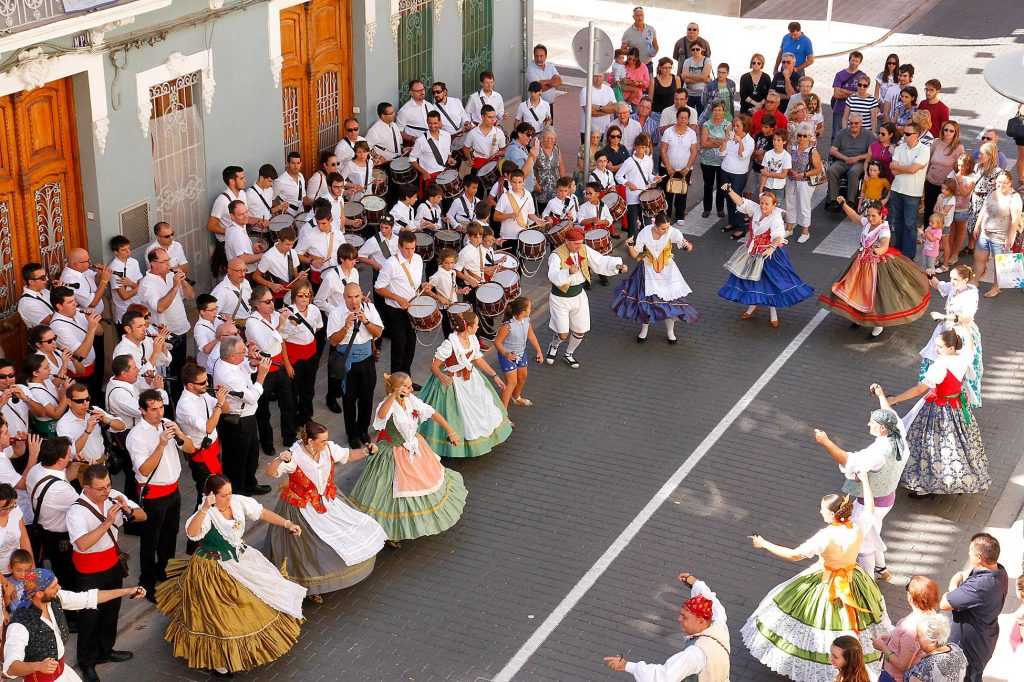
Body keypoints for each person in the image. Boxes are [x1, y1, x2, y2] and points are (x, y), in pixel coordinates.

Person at [156, 475, 306, 677]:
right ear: (211, 496)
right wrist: (204, 508)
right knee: (217, 616)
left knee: (257, 597)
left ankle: (237, 650)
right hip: (213, 568)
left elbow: (261, 513)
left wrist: (287, 524)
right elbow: (192, 533)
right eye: (224, 495)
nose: (229, 498)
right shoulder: (206, 514)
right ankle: (217, 660)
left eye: (230, 492)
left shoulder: (237, 502)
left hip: (240, 559)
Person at [743, 475, 890, 682]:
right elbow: (870, 508)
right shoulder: (856, 525)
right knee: (855, 621)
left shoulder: (825, 536)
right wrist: (865, 480)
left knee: (819, 621)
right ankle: (849, 662)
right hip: (854, 579)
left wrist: (764, 544)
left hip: (828, 581)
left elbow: (795, 555)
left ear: (832, 514)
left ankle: (827, 666)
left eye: (823, 509)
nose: (820, 512)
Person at [265, 421, 386, 601]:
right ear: (310, 441)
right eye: (322, 441)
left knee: (344, 532)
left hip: (326, 501)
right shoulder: (295, 454)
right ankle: (309, 587)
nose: (327, 443)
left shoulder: (328, 448)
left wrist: (366, 451)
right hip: (301, 507)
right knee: (307, 549)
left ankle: (324, 579)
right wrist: (279, 459)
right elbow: (271, 473)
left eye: (326, 440)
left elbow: (347, 456)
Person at [348, 372, 467, 543]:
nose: (411, 389)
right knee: (388, 492)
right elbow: (381, 417)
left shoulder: (412, 400)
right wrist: (392, 396)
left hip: (415, 447)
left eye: (411, 385)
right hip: (394, 452)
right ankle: (387, 531)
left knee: (419, 483)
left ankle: (405, 525)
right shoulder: (387, 405)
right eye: (408, 386)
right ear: (397, 389)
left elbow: (432, 412)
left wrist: (450, 431)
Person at [812, 384, 908, 580]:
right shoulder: (898, 433)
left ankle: (868, 580)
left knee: (864, 544)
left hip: (871, 503)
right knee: (873, 534)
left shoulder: (877, 453)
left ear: (882, 429)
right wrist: (881, 395)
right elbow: (890, 413)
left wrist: (826, 442)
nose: (867, 425)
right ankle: (882, 570)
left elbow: (848, 461)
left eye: (871, 423)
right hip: (887, 497)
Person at [884, 330, 990, 497]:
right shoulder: (962, 357)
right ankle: (959, 479)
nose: (936, 349)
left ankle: (926, 486)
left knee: (929, 446)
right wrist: (965, 326)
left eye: (940, 347)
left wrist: (895, 399)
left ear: (950, 347)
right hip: (958, 406)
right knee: (958, 444)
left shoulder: (940, 366)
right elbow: (970, 345)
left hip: (939, 410)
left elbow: (920, 389)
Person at [66, 464, 147, 680]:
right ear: (87, 488)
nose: (106, 491)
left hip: (111, 564)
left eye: (109, 485)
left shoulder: (113, 496)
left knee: (111, 612)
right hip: (88, 571)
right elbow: (82, 544)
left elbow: (143, 516)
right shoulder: (76, 511)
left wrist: (128, 509)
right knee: (89, 618)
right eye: (101, 488)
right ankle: (87, 662)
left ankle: (105, 650)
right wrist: (108, 522)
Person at [3, 567, 146, 682]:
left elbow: (89, 597)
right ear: (39, 593)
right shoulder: (19, 626)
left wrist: (128, 590)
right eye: (54, 586)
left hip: (64, 674)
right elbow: (10, 667)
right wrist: (38, 666)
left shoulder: (54, 599)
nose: (58, 587)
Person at [820, 197, 930, 337]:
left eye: (874, 215)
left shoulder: (884, 229)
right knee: (857, 290)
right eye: (869, 215)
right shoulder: (867, 222)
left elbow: (884, 244)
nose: (870, 218)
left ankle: (878, 324)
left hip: (877, 265)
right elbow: (855, 217)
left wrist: (877, 250)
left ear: (882, 215)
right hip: (862, 262)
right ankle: (858, 318)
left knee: (877, 295)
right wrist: (844, 204)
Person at [126, 390, 193, 597]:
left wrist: (180, 435)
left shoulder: (166, 423)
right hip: (153, 494)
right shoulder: (136, 436)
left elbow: (190, 449)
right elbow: (144, 470)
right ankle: (147, 581)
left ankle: (166, 573)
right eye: (153, 409)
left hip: (173, 490)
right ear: (142, 411)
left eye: (161, 407)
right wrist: (161, 444)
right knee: (150, 541)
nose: (158, 412)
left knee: (170, 535)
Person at [603, 571, 730, 681]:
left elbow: (663, 677)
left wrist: (627, 666)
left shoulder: (695, 655)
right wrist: (694, 582)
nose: (679, 619)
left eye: (685, 617)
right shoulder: (718, 624)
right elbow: (711, 601)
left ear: (701, 621)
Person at [418, 310, 511, 458]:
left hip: (471, 379)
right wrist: (442, 377)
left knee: (482, 406)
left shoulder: (472, 338)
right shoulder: (449, 344)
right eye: (476, 325)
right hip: (453, 382)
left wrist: (494, 376)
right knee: (454, 414)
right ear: (467, 327)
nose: (478, 327)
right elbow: (434, 366)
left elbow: (478, 359)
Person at [719, 185, 814, 327]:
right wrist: (730, 190)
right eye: (762, 203)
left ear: (774, 205)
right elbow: (741, 202)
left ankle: (773, 313)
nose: (763, 206)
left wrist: (771, 248)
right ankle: (752, 305)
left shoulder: (776, 218)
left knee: (770, 284)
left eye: (767, 204)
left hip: (769, 256)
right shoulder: (756, 209)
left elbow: (778, 237)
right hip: (753, 252)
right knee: (752, 281)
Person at [545, 227, 627, 369]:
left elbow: (599, 261)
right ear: (566, 242)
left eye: (581, 243)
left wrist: (617, 266)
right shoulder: (556, 255)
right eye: (576, 243)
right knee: (563, 334)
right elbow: (552, 275)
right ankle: (554, 345)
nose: (579, 246)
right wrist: (567, 272)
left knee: (580, 330)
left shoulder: (583, 249)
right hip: (560, 299)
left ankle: (568, 353)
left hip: (579, 296)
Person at [612, 212, 697, 343]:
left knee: (670, 302)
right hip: (648, 271)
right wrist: (629, 246)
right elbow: (636, 255)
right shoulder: (645, 233)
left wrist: (687, 246)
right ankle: (644, 330)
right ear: (655, 226)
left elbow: (688, 246)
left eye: (668, 227)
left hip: (668, 272)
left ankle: (670, 332)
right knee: (647, 302)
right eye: (663, 228)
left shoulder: (672, 232)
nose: (667, 230)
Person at [939, 533, 1009, 682]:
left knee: (968, 678)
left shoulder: (981, 586)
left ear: (979, 558)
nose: (968, 554)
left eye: (970, 552)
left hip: (971, 649)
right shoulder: (1000, 571)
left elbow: (944, 604)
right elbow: (971, 575)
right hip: (985, 639)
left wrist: (954, 584)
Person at [213, 337, 273, 497]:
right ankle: (238, 493)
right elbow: (251, 397)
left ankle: (250, 484)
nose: (246, 354)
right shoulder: (227, 375)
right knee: (237, 459)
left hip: (247, 416)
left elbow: (242, 369)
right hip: (237, 420)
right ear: (232, 356)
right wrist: (261, 376)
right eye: (242, 353)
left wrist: (252, 364)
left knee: (251, 454)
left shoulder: (229, 362)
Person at [326, 283, 383, 448]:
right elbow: (333, 341)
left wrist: (366, 321)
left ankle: (363, 430)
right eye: (349, 297)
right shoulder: (336, 313)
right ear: (344, 297)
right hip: (348, 363)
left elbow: (378, 333)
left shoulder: (369, 309)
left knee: (367, 398)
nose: (353, 301)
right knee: (349, 400)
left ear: (361, 295)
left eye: (357, 296)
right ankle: (351, 434)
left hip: (366, 361)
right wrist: (346, 326)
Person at [919, 264, 983, 407]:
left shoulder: (971, 295)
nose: (952, 282)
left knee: (960, 367)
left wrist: (944, 316)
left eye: (955, 279)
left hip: (962, 333)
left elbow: (966, 318)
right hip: (947, 329)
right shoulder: (954, 288)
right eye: (951, 279)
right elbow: (939, 285)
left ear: (965, 280)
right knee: (935, 356)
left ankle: (961, 399)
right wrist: (930, 276)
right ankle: (935, 390)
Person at [375, 231, 433, 382]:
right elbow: (378, 287)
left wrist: (424, 285)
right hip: (396, 310)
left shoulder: (419, 259)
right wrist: (398, 298)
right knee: (399, 346)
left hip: (412, 307)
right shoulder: (391, 264)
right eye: (407, 248)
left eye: (413, 248)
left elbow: (416, 282)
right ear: (399, 246)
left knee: (411, 345)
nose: (410, 252)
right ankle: (395, 382)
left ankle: (406, 379)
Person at [246, 286, 297, 455]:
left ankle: (289, 436)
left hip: (279, 366)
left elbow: (285, 339)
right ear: (257, 304)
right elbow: (266, 347)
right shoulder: (252, 322)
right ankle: (267, 442)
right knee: (263, 410)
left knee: (288, 403)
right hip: (264, 367)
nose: (271, 304)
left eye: (272, 300)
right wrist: (281, 327)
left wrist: (289, 322)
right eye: (267, 302)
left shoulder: (275, 315)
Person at [872, 576, 940, 682]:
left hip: (895, 677)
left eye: (908, 589)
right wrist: (891, 637)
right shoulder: (932, 615)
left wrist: (882, 647)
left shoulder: (911, 629)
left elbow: (903, 665)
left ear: (911, 597)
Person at [48, 286, 103, 407]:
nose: (75, 304)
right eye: (70, 302)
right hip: (79, 374)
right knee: (85, 404)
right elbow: (81, 354)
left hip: (92, 366)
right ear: (59, 306)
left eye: (74, 300)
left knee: (95, 397)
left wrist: (92, 322)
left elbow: (100, 332)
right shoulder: (58, 326)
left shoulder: (77, 312)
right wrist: (91, 328)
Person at [972, 170, 1021, 298]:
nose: (1000, 185)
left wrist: (1010, 238)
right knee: (979, 259)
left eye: (1004, 183)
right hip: (985, 233)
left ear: (1010, 183)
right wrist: (977, 226)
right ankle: (975, 280)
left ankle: (996, 287)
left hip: (1000, 237)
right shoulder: (993, 192)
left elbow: (1015, 220)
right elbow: (984, 210)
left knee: (999, 264)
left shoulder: (1014, 197)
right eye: (998, 182)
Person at [493, 297, 543, 409]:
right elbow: (497, 343)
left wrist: (539, 351)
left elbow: (531, 334)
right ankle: (503, 414)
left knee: (522, 377)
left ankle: (516, 398)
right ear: (523, 311)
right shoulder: (507, 326)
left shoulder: (526, 320)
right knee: (512, 383)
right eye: (529, 308)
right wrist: (507, 355)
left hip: (521, 353)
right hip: (507, 356)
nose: (531, 309)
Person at [658, 108, 697, 226]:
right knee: (667, 193)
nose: (683, 120)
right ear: (677, 118)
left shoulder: (692, 133)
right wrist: (669, 167)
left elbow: (694, 152)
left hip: (684, 169)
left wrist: (687, 167)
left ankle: (680, 215)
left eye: (686, 118)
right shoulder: (668, 132)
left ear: (688, 119)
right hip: (668, 168)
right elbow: (663, 150)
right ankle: (667, 215)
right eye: (681, 117)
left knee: (682, 192)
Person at [903, 613, 969, 682]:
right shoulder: (956, 649)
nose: (916, 639)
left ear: (933, 641)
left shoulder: (924, 669)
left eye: (919, 636)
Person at [785, 121, 823, 243]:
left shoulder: (813, 151)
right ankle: (789, 227)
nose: (801, 138)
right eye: (799, 135)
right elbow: (787, 162)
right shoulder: (792, 148)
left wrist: (803, 174)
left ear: (810, 137)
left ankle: (805, 231)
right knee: (790, 202)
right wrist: (790, 171)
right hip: (791, 179)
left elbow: (818, 169)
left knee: (803, 205)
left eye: (805, 136)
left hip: (805, 181)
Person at [827, 117, 875, 210]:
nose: (853, 125)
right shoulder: (842, 133)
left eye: (856, 123)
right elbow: (832, 150)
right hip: (843, 160)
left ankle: (851, 201)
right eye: (851, 123)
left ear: (861, 123)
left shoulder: (869, 135)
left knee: (853, 172)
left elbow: (871, 153)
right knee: (831, 170)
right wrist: (845, 158)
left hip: (859, 162)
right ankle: (833, 200)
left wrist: (857, 158)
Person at [924, 121, 964, 221]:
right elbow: (929, 160)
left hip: (945, 186)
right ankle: (926, 233)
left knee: (940, 213)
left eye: (951, 131)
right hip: (930, 181)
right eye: (946, 130)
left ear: (955, 133)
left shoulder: (958, 147)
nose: (948, 133)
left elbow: (960, 168)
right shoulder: (936, 142)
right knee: (928, 209)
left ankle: (937, 236)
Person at [720, 115, 754, 232]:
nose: (735, 128)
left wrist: (740, 142)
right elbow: (722, 153)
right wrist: (725, 141)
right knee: (728, 198)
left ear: (745, 127)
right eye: (734, 125)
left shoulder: (750, 141)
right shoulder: (731, 137)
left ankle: (740, 226)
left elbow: (742, 156)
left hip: (738, 174)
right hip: (725, 171)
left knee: (737, 200)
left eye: (738, 126)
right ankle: (732, 222)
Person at [831, 51, 867, 134]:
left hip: (856, 110)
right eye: (853, 60)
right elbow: (836, 94)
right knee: (837, 134)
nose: (854, 63)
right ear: (849, 60)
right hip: (840, 109)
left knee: (853, 134)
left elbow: (861, 94)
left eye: (856, 61)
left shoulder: (862, 76)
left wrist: (843, 90)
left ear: (860, 62)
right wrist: (853, 93)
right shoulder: (840, 74)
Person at [579, 72, 618, 143]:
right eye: (595, 76)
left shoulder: (609, 90)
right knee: (588, 153)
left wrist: (598, 108)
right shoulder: (585, 90)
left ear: (604, 77)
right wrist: (607, 109)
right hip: (588, 131)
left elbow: (614, 109)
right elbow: (589, 112)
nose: (598, 79)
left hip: (605, 130)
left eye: (600, 76)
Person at [620, 6, 658, 76]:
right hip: (634, 66)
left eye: (641, 15)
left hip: (648, 65)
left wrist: (654, 53)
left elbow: (655, 45)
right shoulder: (628, 32)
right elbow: (622, 50)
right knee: (635, 86)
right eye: (637, 16)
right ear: (633, 17)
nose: (640, 18)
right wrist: (632, 51)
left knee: (649, 85)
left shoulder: (651, 29)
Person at [681, 43, 711, 115]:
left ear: (702, 49)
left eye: (697, 49)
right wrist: (703, 78)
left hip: (702, 94)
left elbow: (704, 76)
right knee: (688, 116)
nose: (695, 51)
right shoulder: (687, 61)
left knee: (701, 116)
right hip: (688, 94)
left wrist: (689, 75)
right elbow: (685, 79)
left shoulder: (707, 60)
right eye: (693, 49)